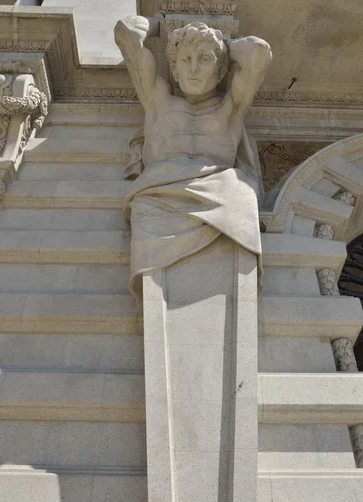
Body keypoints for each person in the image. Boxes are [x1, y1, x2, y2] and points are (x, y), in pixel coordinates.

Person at [114, 15, 272, 304]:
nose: (194, 69)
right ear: (173, 68)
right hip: (157, 198)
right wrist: (163, 26)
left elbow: (258, 52)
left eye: (204, 59)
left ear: (222, 68)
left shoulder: (230, 108)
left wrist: (223, 43)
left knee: (240, 195)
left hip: (224, 194)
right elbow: (127, 32)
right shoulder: (158, 101)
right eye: (184, 61)